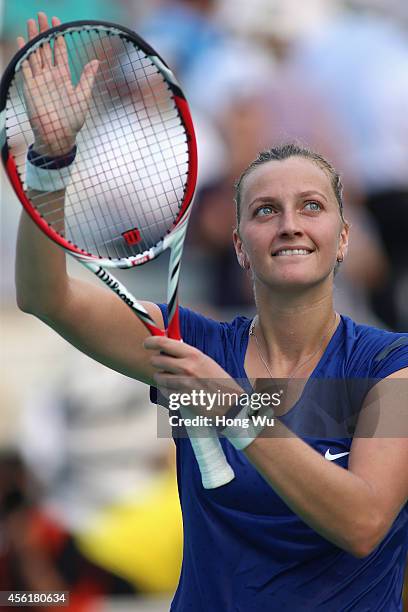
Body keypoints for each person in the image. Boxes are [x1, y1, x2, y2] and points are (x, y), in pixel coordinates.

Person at [15, 13, 408, 612]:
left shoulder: (392, 368)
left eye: (311, 206)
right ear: (239, 244)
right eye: (265, 210)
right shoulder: (187, 346)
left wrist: (232, 405)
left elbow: (362, 522)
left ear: (344, 238)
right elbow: (47, 297)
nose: (290, 224)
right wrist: (52, 159)